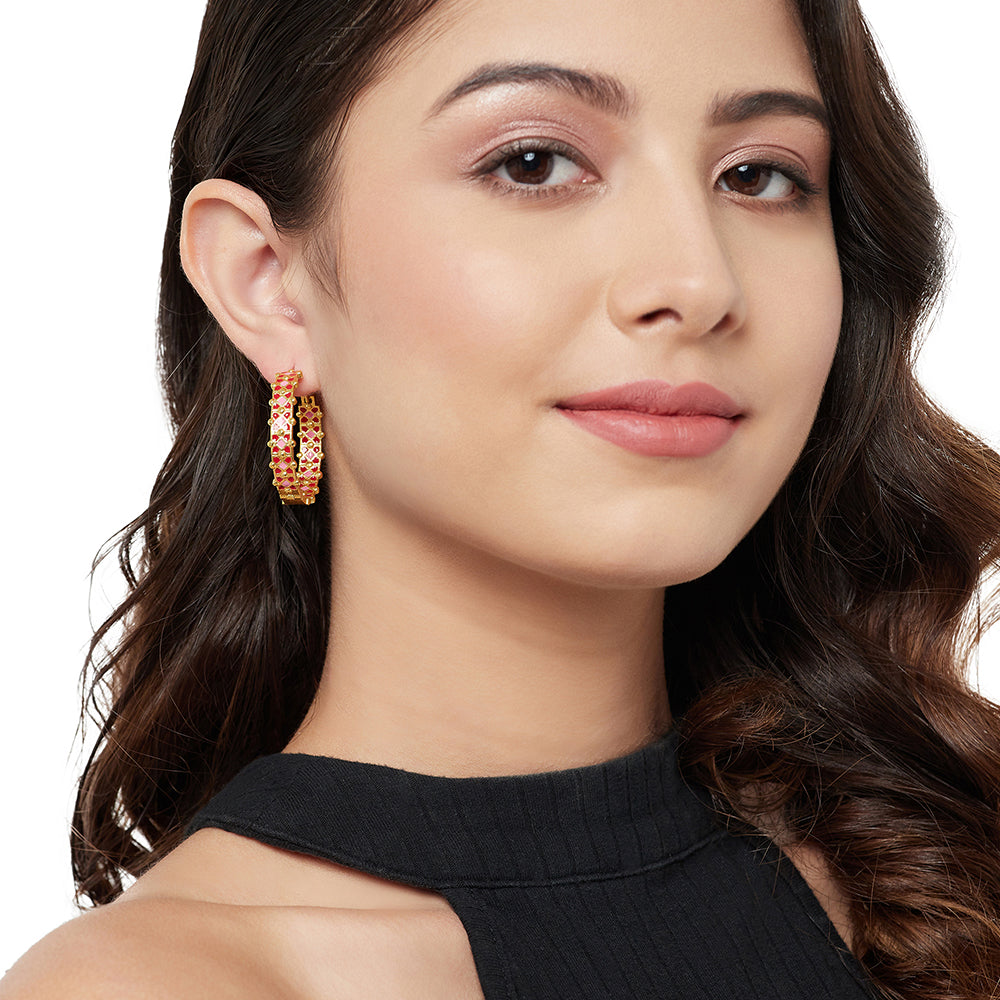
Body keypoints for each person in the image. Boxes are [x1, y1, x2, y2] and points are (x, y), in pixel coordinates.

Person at [3, 0, 999, 996]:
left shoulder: (939, 871)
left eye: (759, 175)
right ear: (266, 279)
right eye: (533, 164)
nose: (699, 282)